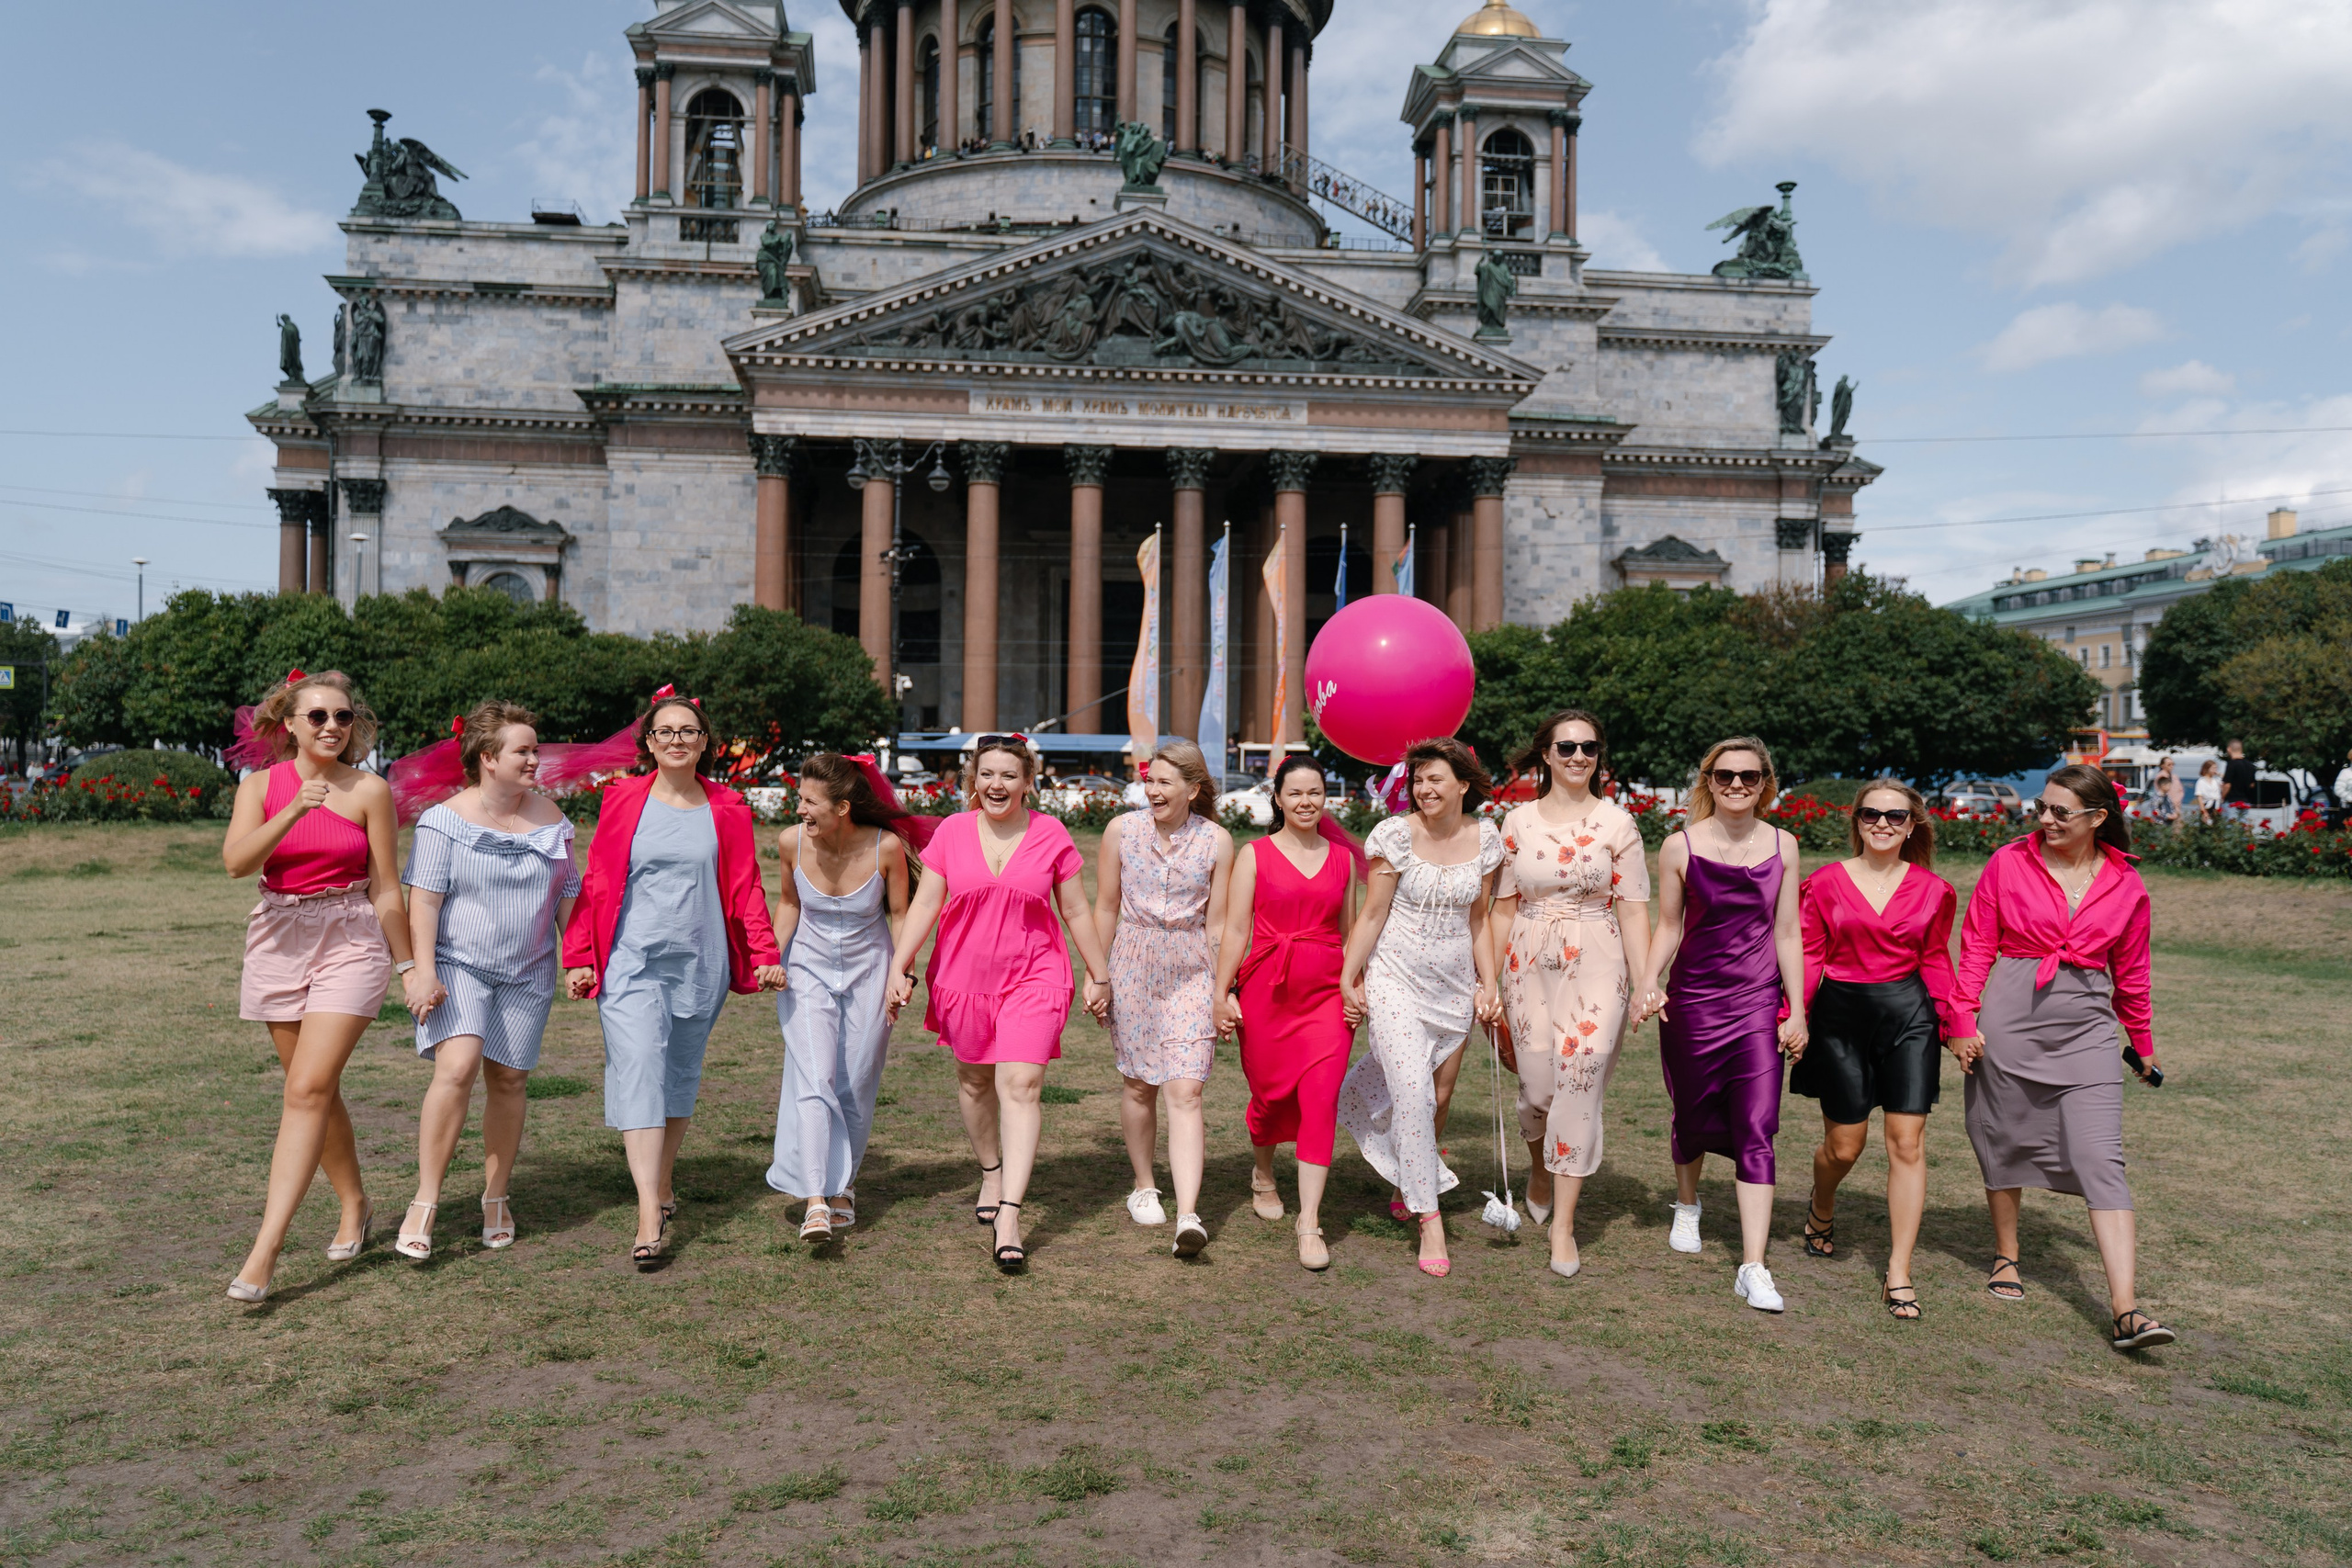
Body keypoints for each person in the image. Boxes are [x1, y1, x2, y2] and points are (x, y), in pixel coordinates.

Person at [1947, 766, 2174, 1351]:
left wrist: (2141, 1045)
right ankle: (2006, 1256)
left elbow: (2134, 976)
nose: (2046, 819)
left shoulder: (2127, 885)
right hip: (2009, 1025)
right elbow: (1976, 947)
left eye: (2060, 812)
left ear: (2098, 819)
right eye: (2042, 808)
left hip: (2089, 1034)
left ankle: (2125, 1308)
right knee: (2005, 1136)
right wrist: (1962, 1021)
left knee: (2102, 1157)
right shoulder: (2008, 863)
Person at [563, 691, 784, 1271]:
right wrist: (581, 955)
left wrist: (763, 950)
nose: (678, 740)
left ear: (705, 742)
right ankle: (646, 1211)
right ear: (650, 744)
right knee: (638, 1065)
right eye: (666, 732)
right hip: (631, 960)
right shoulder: (622, 799)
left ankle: (661, 1180)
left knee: (679, 1071)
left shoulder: (729, 805)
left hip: (699, 959)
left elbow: (745, 887)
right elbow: (598, 880)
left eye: (689, 731)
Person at [885, 735, 1114, 1272]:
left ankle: (1010, 1212)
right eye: (987, 774)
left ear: (1028, 782)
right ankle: (991, 1167)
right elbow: (925, 903)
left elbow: (1077, 911)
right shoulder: (952, 832)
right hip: (963, 980)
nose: (997, 785)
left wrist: (1098, 974)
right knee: (973, 1081)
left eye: (1009, 775)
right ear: (973, 780)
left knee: (1022, 1085)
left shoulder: (1051, 834)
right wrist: (901, 964)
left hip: (1035, 976)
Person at [220, 671, 416, 1301]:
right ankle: (354, 1201)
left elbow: (386, 884)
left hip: (350, 937)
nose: (333, 726)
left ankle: (265, 1249)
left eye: (344, 717)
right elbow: (236, 863)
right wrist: (294, 809)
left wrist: (409, 965)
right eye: (319, 717)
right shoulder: (260, 787)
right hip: (278, 934)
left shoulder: (369, 790)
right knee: (312, 1088)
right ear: (290, 726)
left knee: (307, 1087)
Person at [395, 701, 580, 1260]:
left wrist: (580, 957)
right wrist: (421, 971)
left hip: (528, 970)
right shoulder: (443, 821)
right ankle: (424, 1202)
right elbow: (423, 901)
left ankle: (496, 1196)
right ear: (487, 757)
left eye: (534, 749)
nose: (534, 759)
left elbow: (569, 893)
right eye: (523, 750)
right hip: (458, 964)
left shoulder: (553, 820)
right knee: (458, 1066)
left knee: (510, 1082)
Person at [1634, 737, 1806, 1314]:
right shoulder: (1678, 846)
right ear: (1708, 781)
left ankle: (1753, 1265)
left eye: (1750, 777)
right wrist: (1648, 981)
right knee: (1691, 1109)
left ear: (1765, 783)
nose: (1737, 785)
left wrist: (1798, 1009)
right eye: (1726, 776)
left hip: (1757, 1003)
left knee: (1758, 1126)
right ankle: (1688, 1204)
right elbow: (1667, 926)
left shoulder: (1785, 845)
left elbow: (1787, 933)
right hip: (1692, 1001)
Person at [1492, 710, 1653, 1280]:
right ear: (1546, 755)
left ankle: (1563, 1226)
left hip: (1597, 957)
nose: (1579, 756)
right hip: (1527, 958)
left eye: (1589, 747)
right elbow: (1502, 907)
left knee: (1579, 1082)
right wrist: (1488, 981)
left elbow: (1634, 909)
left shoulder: (1618, 824)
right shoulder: (1515, 822)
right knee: (1538, 1090)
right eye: (1567, 747)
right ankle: (1540, 1166)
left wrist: (1646, 980)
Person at [1337, 737, 1505, 1279]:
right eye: (1418, 780)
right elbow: (1370, 915)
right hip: (1395, 979)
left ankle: (1406, 1179)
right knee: (1410, 1090)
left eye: (1436, 779)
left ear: (1462, 785)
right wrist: (1348, 975)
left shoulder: (1487, 839)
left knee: (1437, 1095)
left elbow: (1480, 920)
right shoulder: (1393, 836)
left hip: (1454, 985)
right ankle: (1430, 1216)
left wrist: (1489, 984)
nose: (1425, 789)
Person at [1792, 779, 1959, 1320]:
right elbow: (1810, 955)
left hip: (1909, 1015)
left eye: (1895, 816)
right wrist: (1791, 1017)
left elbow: (1935, 960)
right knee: (1844, 1147)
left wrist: (1957, 1023)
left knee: (1906, 1143)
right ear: (1857, 821)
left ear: (1913, 825)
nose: (1883, 823)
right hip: (1840, 1017)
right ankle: (1822, 1204)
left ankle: (1899, 1272)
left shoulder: (1935, 890)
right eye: (1871, 814)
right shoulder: (1823, 884)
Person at [1215, 755, 1363, 1271]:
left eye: (1315, 793)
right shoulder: (1254, 855)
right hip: (1265, 992)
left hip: (1325, 997)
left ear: (1327, 798)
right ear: (1277, 798)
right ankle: (1262, 1173)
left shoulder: (1344, 860)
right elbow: (1235, 931)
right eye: (1295, 793)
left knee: (1320, 1101)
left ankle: (1309, 1222)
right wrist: (1221, 992)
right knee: (1271, 1097)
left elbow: (1350, 935)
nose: (1305, 802)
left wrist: (1354, 988)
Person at [765, 754, 914, 1244]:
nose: (800, 809)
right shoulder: (792, 842)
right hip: (806, 970)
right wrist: (773, 954)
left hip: (870, 973)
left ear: (844, 807)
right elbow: (788, 902)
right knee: (815, 1077)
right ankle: (814, 1200)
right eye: (800, 798)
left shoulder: (885, 849)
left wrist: (901, 973)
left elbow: (900, 916)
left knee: (855, 1080)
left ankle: (843, 1186)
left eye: (810, 801)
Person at [1097, 741, 1235, 1257]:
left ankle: (1188, 1214)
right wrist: (1098, 974)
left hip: (1192, 970)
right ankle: (1143, 1185)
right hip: (1132, 961)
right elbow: (1106, 906)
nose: (1153, 790)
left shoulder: (1218, 841)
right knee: (1138, 1085)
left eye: (1164, 782)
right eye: (1149, 781)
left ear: (1192, 790)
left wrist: (1224, 989)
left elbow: (1219, 923)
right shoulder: (1120, 831)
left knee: (1187, 1089)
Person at [2221, 739, 2257, 817]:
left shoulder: (2231, 764)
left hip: (2232, 801)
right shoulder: (2250, 765)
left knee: (2230, 826)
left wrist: (2222, 797)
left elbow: (2227, 785)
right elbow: (2252, 785)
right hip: (2245, 802)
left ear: (2229, 749)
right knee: (2242, 826)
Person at [2144, 758, 2180, 823]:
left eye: (2173, 764)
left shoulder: (2174, 777)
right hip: (2161, 822)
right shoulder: (2160, 777)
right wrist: (2166, 816)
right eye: (2169, 764)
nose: (2172, 766)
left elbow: (2180, 791)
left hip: (2174, 813)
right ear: (2162, 765)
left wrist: (2174, 813)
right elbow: (2156, 810)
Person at [2193, 759, 2222, 824]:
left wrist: (2219, 774)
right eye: (2213, 768)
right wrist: (2203, 811)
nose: (2215, 770)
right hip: (2207, 805)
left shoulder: (2216, 780)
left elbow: (2224, 781)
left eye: (2216, 768)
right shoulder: (2201, 781)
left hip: (2216, 806)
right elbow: (2199, 797)